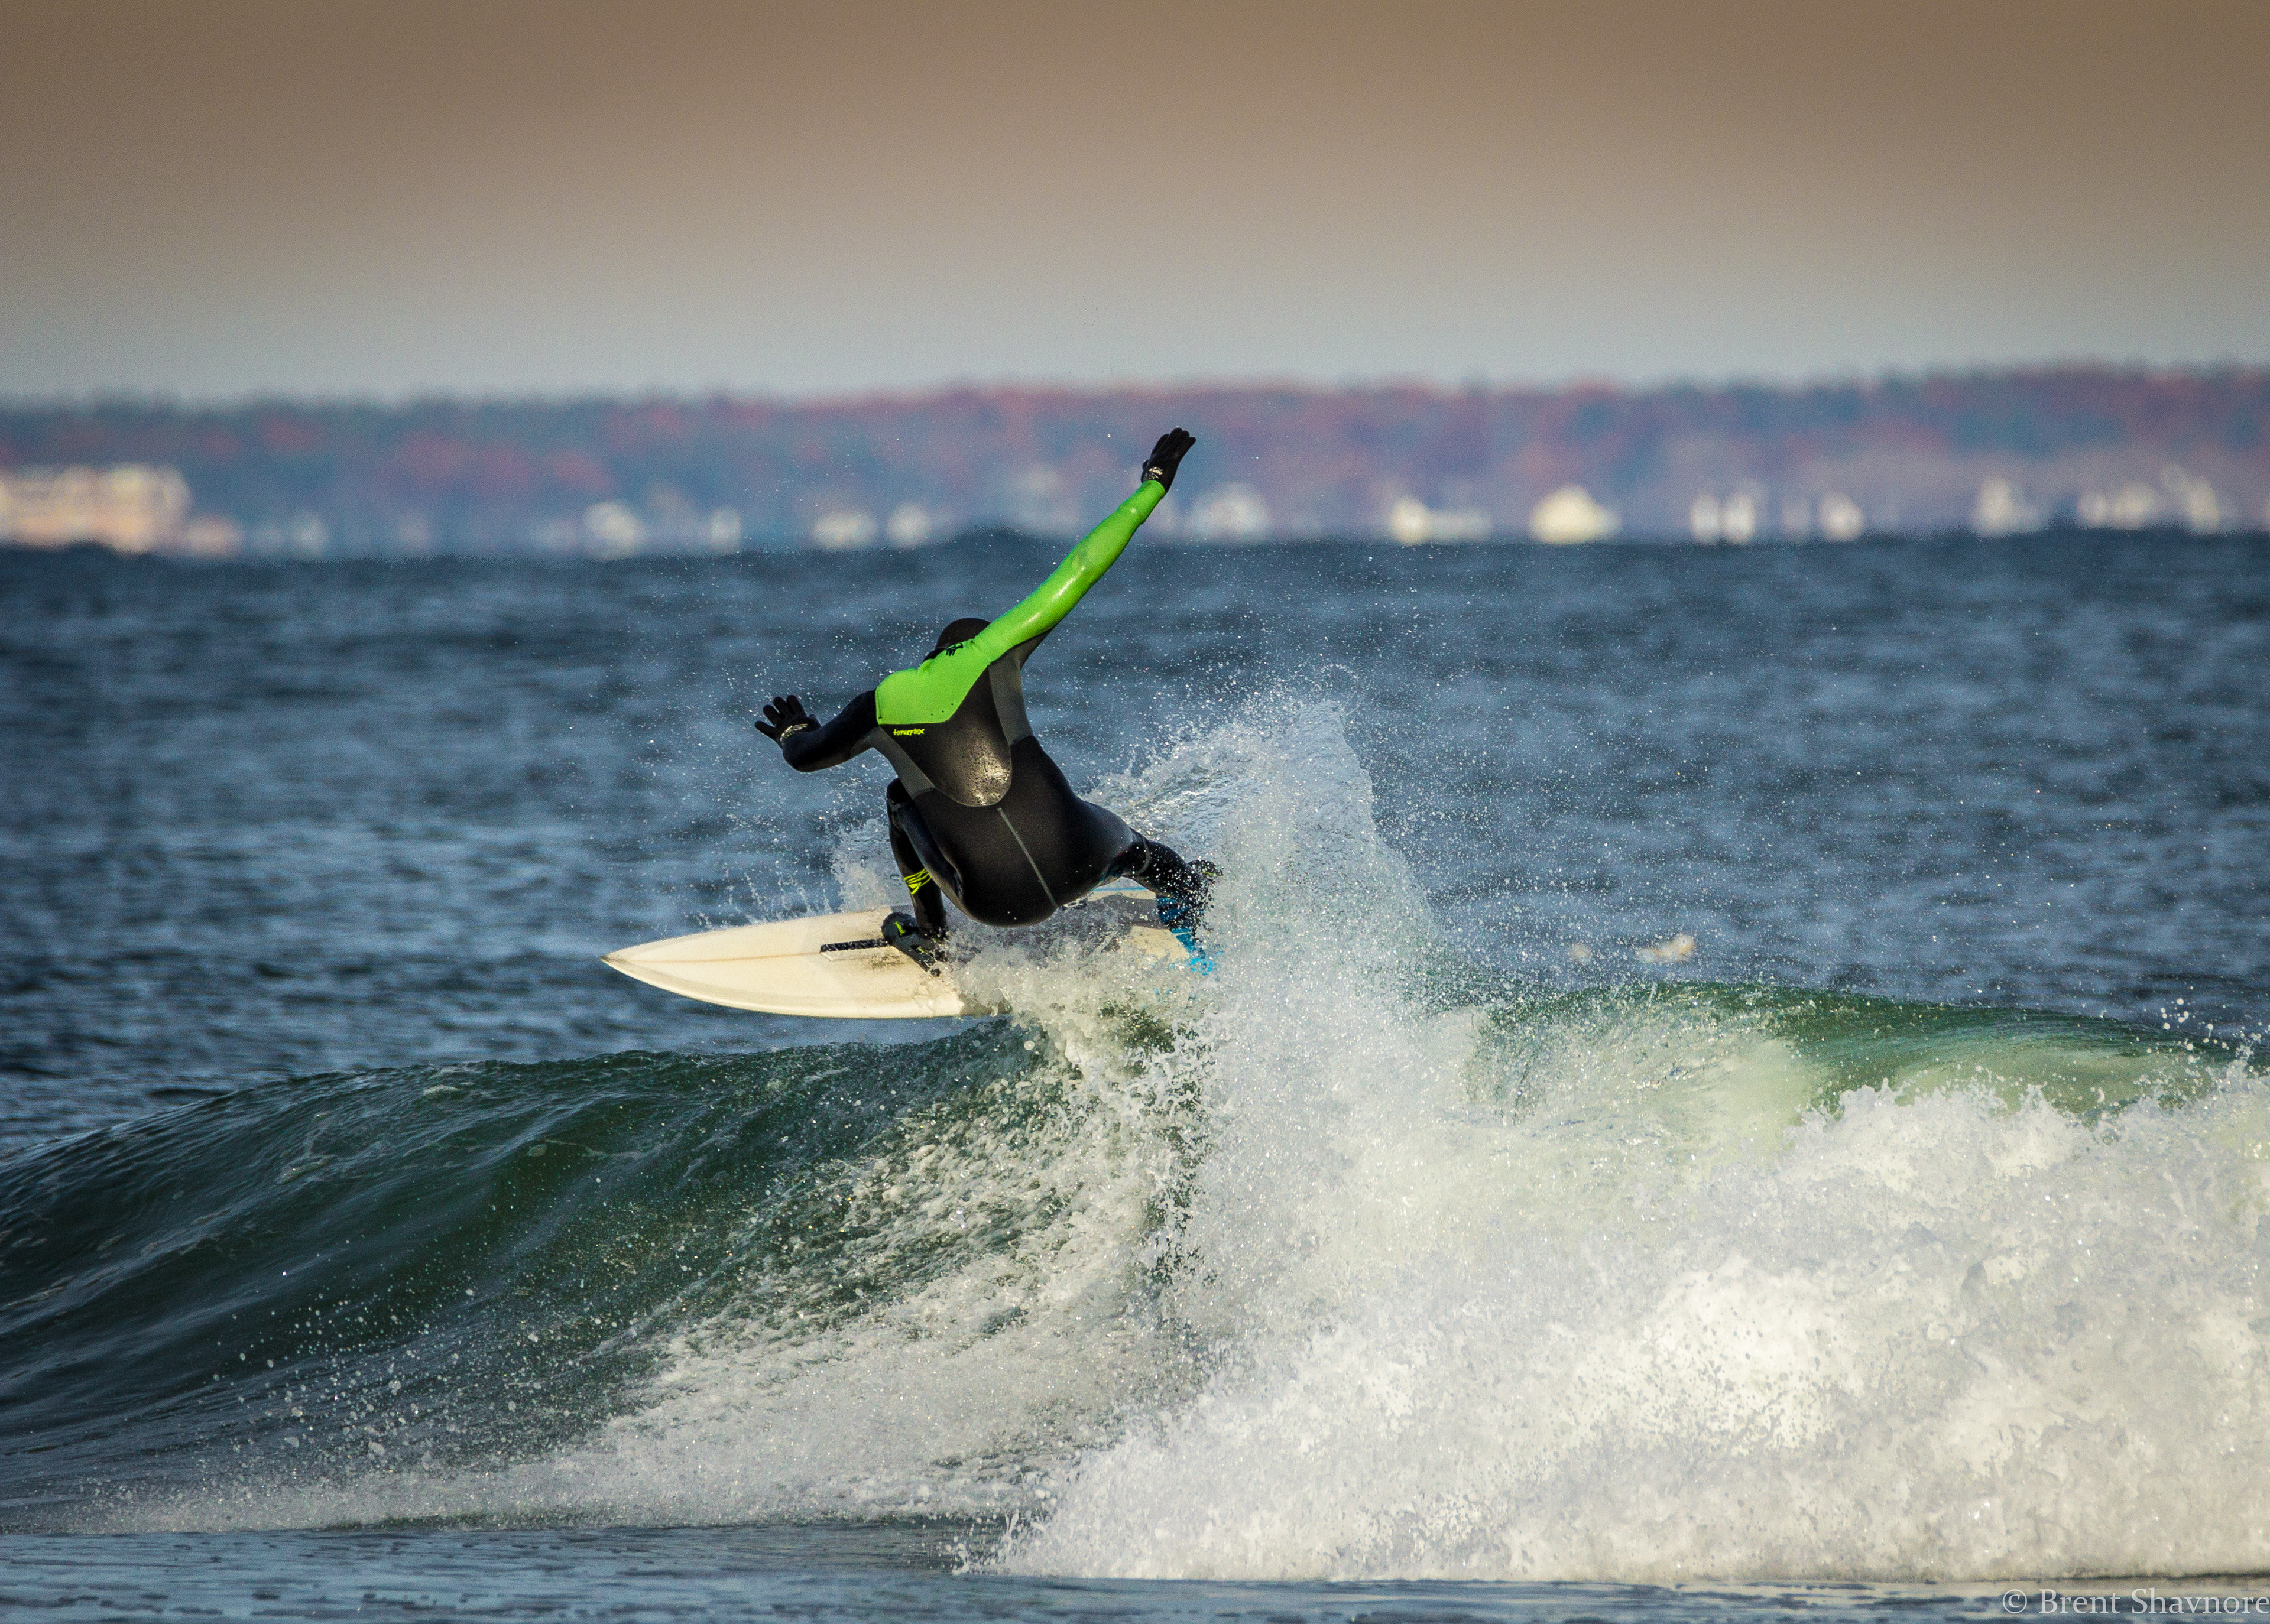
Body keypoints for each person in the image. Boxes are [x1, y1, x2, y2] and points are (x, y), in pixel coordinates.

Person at [754, 428, 1218, 967]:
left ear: (933, 656)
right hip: (1082, 863)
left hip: (997, 906)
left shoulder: (879, 704)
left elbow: (804, 757)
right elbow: (1082, 566)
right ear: (977, 643)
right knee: (1136, 849)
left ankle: (932, 935)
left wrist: (793, 732)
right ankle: (1187, 893)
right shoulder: (994, 650)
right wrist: (1153, 485)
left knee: (899, 798)